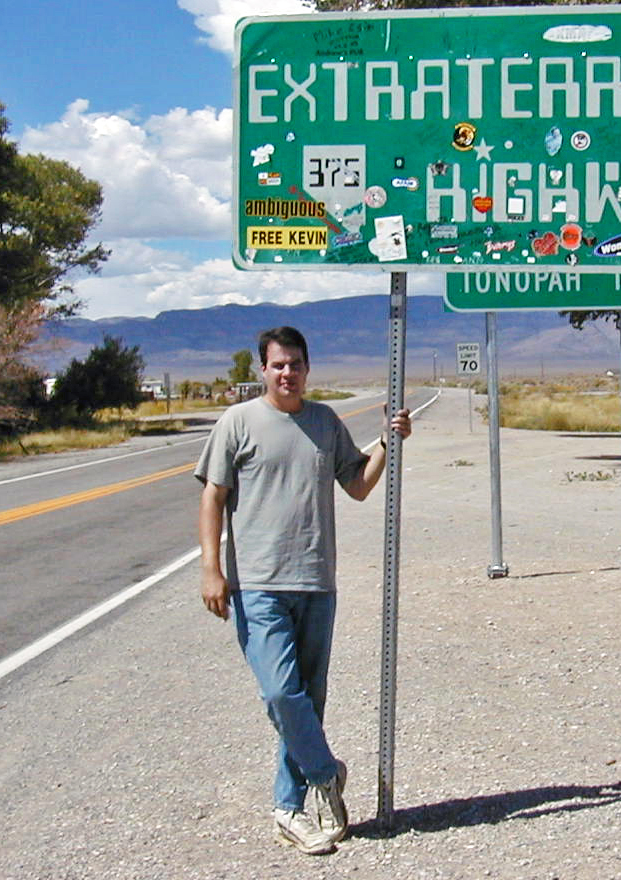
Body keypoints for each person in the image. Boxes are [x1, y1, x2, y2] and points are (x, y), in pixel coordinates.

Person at [196, 326, 412, 856]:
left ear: (307, 369)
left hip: (316, 580)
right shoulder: (237, 423)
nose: (287, 373)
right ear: (261, 370)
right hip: (258, 583)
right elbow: (213, 497)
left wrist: (387, 442)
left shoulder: (324, 422)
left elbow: (358, 485)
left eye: (295, 364)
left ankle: (289, 810)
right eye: (277, 365)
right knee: (280, 693)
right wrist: (210, 568)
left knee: (308, 702)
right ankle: (324, 771)